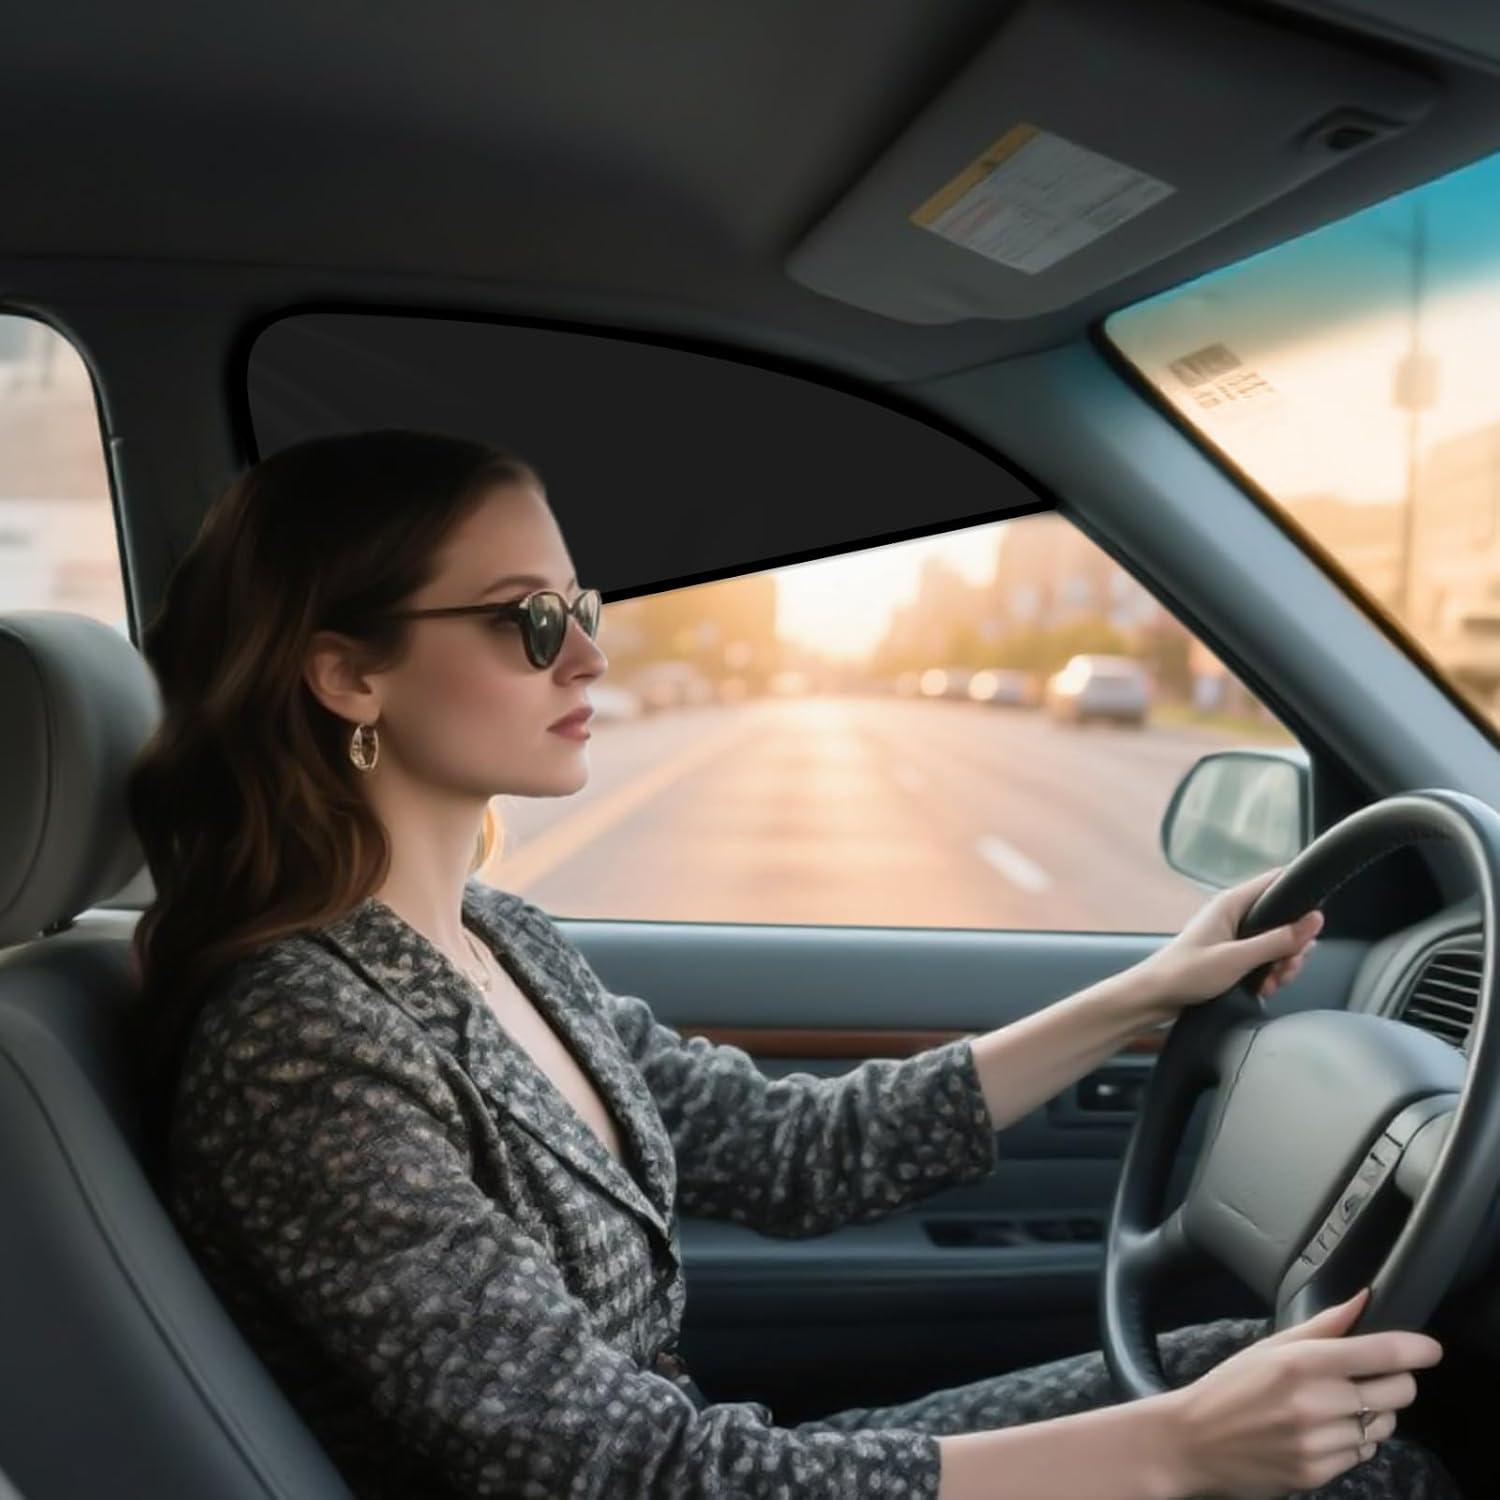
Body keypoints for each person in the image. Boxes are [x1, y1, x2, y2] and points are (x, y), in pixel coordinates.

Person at [122, 428, 1463, 1500]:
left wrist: (1147, 991)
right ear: (350, 676)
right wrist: (1172, 1458)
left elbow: (789, 1150)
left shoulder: (498, 938)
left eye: (582, 607)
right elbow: (619, 1474)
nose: (590, 652)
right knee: (1324, 1459)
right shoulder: (300, 1045)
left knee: (1279, 1382)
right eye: (529, 623)